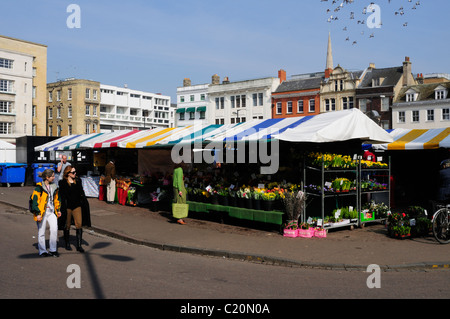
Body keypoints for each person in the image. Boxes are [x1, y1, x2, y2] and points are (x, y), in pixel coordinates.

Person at [58, 165, 91, 253]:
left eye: (75, 172)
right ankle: (67, 243)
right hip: (67, 207)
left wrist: (83, 201)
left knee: (79, 224)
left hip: (77, 206)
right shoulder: (62, 183)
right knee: (67, 225)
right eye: (73, 172)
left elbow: (81, 192)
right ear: (68, 173)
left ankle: (79, 245)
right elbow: (62, 196)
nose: (75, 173)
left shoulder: (78, 181)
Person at [30, 169, 61, 257]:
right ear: (47, 177)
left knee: (54, 229)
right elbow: (34, 201)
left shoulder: (54, 187)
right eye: (52, 176)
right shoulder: (39, 188)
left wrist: (58, 210)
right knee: (41, 231)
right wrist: (38, 213)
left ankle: (53, 250)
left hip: (51, 212)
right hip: (42, 213)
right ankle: (42, 251)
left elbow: (57, 199)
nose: (54, 178)